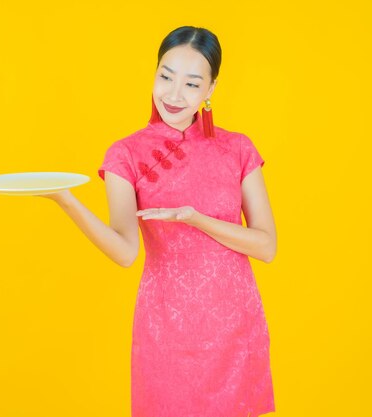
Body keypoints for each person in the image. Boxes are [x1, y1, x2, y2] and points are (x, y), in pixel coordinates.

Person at [37, 25, 276, 417]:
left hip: (235, 331)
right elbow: (125, 251)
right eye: (165, 77)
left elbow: (266, 246)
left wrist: (196, 219)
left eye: (191, 84)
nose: (174, 94)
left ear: (211, 89)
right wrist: (66, 201)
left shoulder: (238, 149)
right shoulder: (125, 155)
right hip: (166, 332)